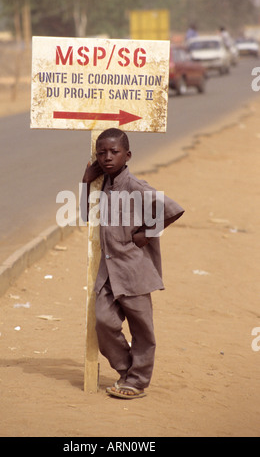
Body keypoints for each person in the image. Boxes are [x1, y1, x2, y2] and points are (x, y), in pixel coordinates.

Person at [82, 128, 184, 399]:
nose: (107, 157)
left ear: (127, 155)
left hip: (134, 270)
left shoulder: (136, 187)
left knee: (142, 329)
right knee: (103, 322)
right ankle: (127, 370)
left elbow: (173, 209)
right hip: (108, 273)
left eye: (114, 152)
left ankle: (137, 381)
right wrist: (85, 183)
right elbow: (86, 216)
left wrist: (147, 234)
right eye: (101, 153)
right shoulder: (102, 183)